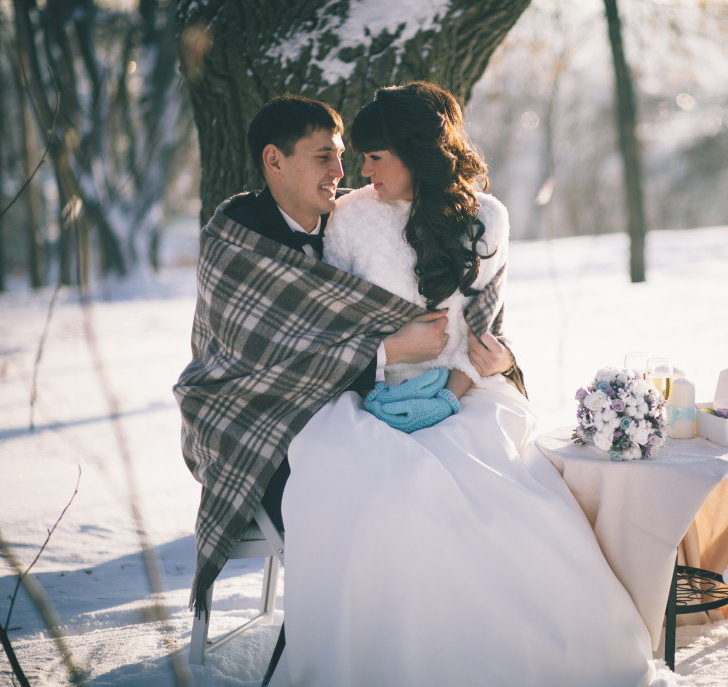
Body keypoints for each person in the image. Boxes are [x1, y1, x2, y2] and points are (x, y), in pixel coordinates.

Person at [270, 82, 661, 687]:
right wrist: (386, 361)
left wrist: (452, 390)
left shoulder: (486, 217)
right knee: (380, 491)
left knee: (500, 501)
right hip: (366, 393)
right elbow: (328, 332)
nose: (360, 170)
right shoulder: (346, 222)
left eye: (376, 156)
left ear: (416, 151)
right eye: (360, 156)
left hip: (469, 392)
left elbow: (486, 335)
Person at [172, 94, 518, 634]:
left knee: (489, 484)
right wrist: (387, 352)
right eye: (323, 157)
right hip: (255, 422)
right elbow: (255, 367)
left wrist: (486, 363)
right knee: (395, 493)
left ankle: (462, 630)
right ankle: (383, 635)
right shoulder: (240, 237)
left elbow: (476, 319)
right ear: (274, 160)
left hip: (365, 403)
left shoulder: (349, 222)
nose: (343, 172)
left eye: (343, 155)